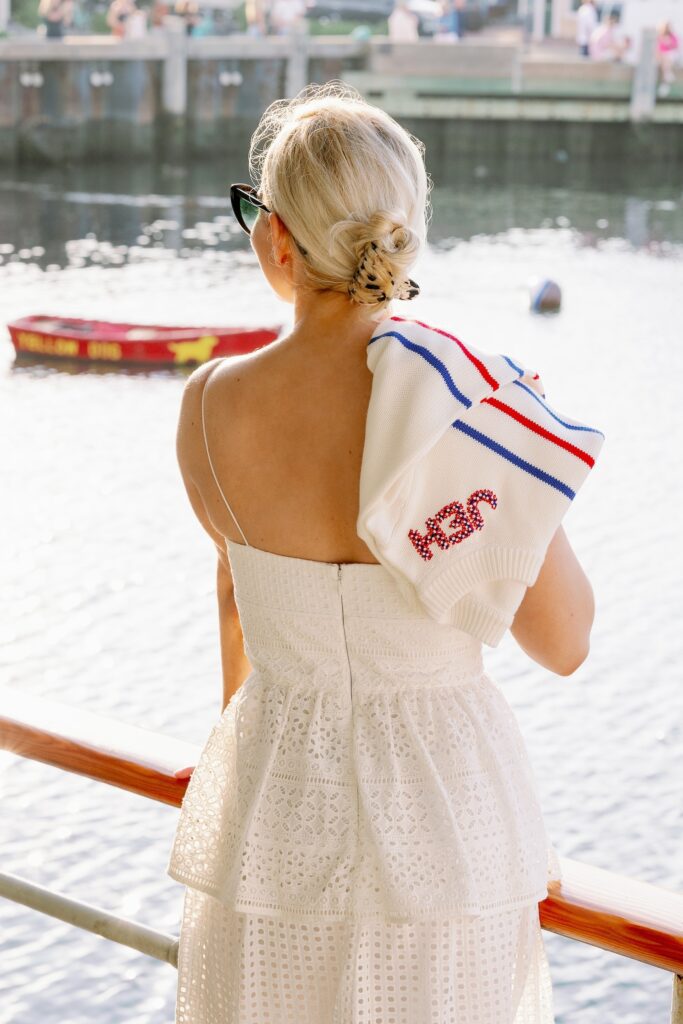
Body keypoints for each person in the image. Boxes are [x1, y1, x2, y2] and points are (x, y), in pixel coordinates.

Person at [166, 82, 602, 1023]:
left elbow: (237, 595)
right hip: (445, 814)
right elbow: (565, 643)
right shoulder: (465, 403)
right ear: (404, 236)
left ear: (276, 238)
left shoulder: (208, 407)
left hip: (273, 804)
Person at [656, 20, 679, 95]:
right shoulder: (659, 36)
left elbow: (676, 47)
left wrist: (668, 43)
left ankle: (665, 83)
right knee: (664, 59)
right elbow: (657, 48)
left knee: (665, 59)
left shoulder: (673, 36)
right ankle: (667, 76)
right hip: (662, 56)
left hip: (670, 55)